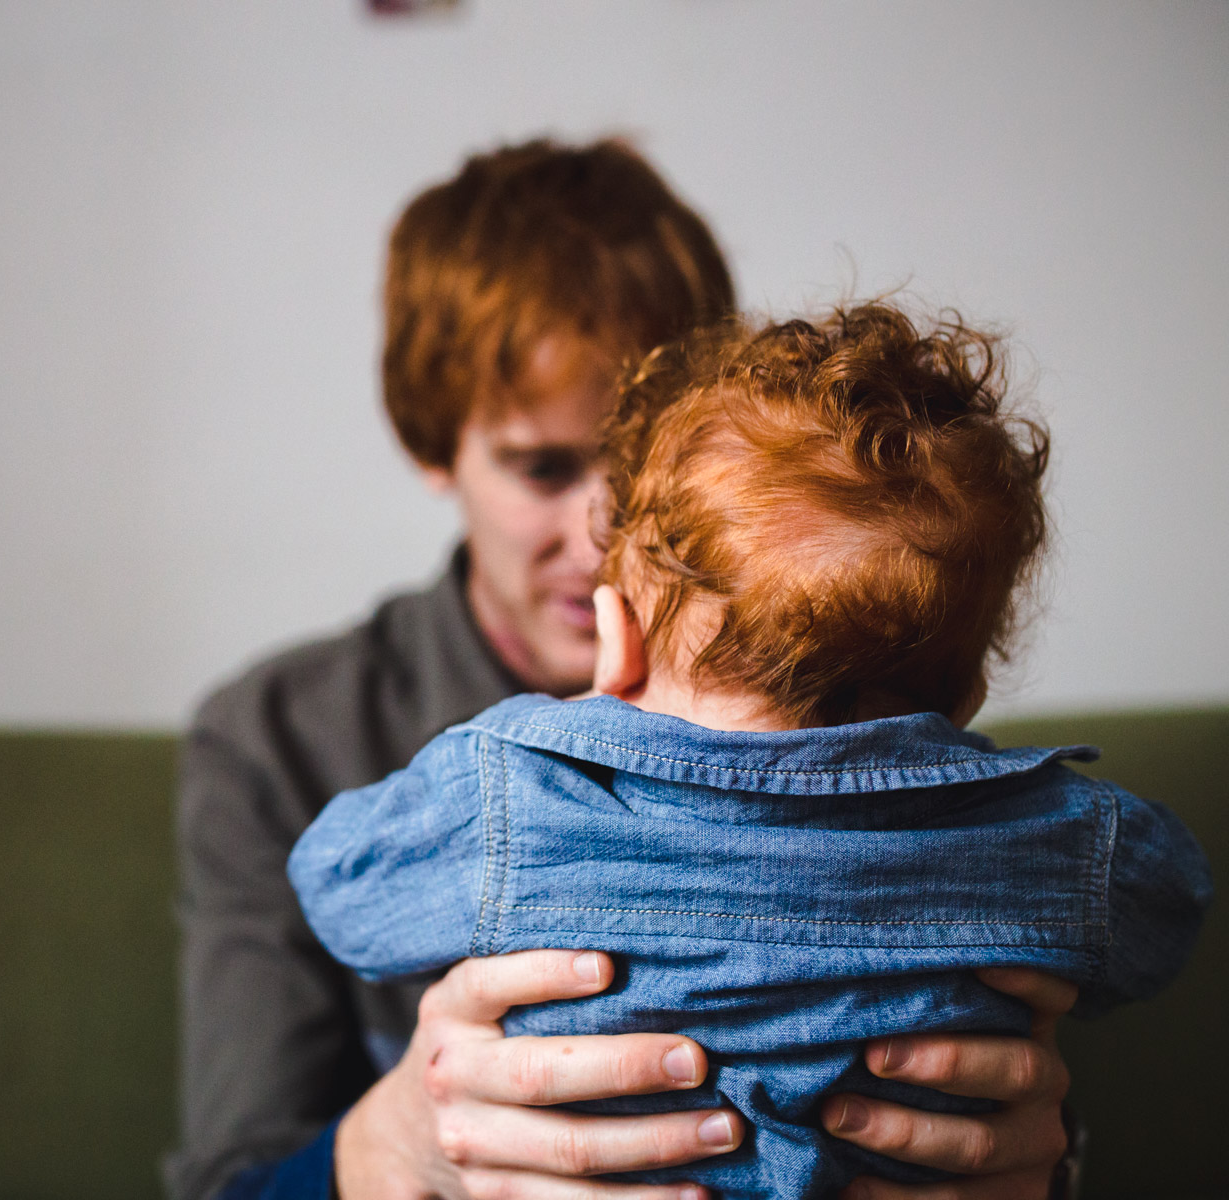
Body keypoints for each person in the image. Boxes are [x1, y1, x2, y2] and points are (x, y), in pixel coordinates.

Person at [170, 141, 1082, 1200]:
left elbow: (1006, 1080)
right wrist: (399, 1146)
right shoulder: (280, 736)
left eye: (640, 463)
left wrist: (1029, 1160)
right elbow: (225, 1183)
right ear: (434, 446)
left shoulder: (884, 722)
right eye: (542, 467)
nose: (607, 529)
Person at [289, 301, 1214, 1198]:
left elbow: (343, 891)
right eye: (541, 466)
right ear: (970, 697)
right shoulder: (1050, 835)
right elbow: (1169, 912)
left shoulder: (514, 794)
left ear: (619, 639)